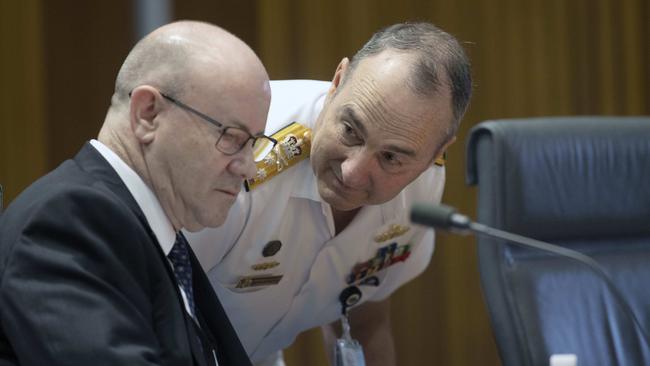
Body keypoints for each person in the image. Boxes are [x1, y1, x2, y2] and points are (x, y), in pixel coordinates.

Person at [188, 21, 472, 365]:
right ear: (338, 82)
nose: (352, 173)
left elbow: (363, 316)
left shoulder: (424, 183)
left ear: (436, 151)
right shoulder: (237, 147)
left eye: (391, 157)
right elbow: (146, 300)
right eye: (351, 131)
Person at [0, 20, 274, 366]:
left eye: (254, 144)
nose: (248, 167)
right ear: (148, 113)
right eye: (232, 137)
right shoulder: (68, 221)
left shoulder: (157, 238)